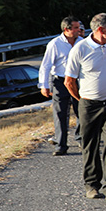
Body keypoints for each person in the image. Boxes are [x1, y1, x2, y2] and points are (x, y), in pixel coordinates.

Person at [64, 13, 106, 200]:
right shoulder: (80, 49)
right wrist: (82, 99)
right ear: (101, 30)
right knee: (90, 145)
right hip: (89, 104)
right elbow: (69, 81)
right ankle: (92, 184)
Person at [38, 16, 83, 156]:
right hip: (60, 81)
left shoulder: (82, 43)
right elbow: (45, 65)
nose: (79, 30)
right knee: (60, 113)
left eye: (78, 27)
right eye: (75, 28)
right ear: (67, 29)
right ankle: (61, 144)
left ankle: (81, 138)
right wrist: (44, 85)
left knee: (81, 110)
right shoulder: (55, 44)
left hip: (78, 81)